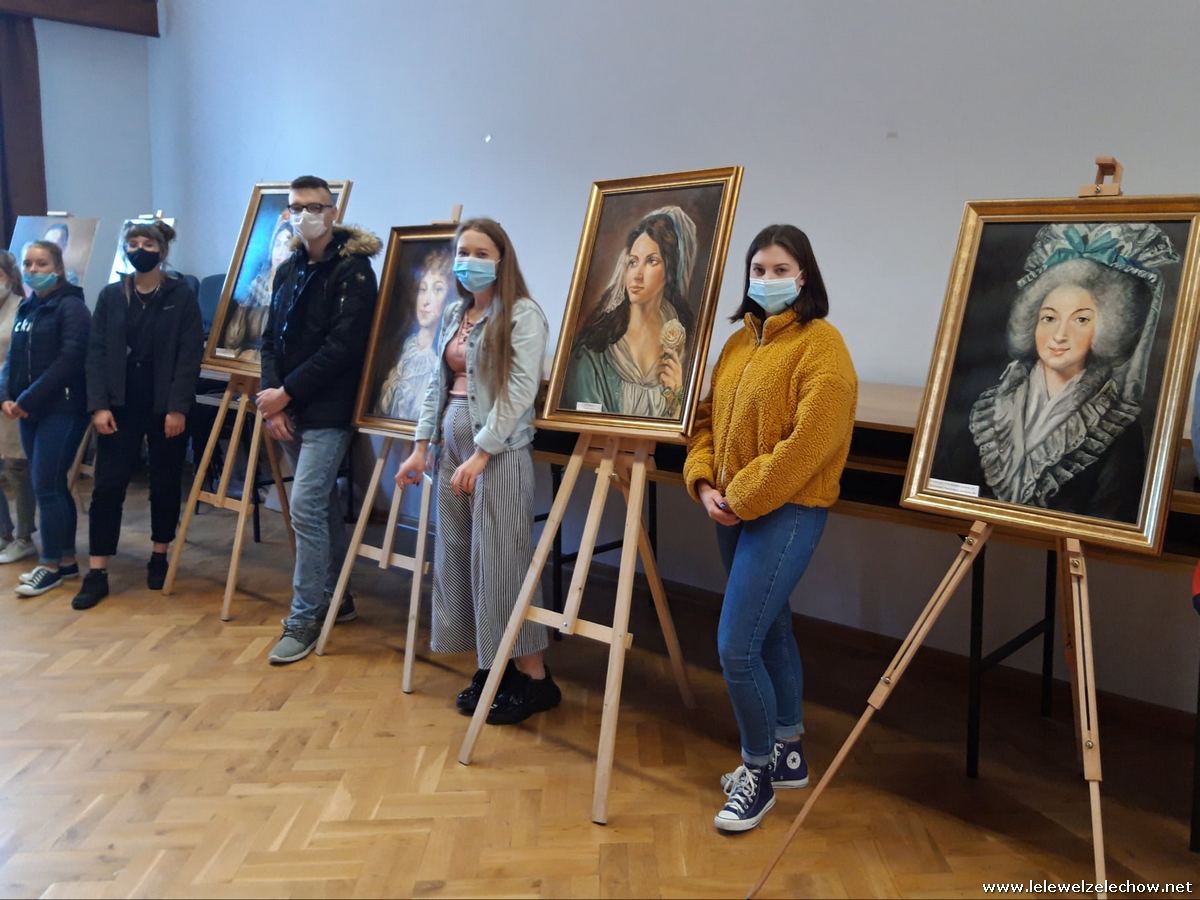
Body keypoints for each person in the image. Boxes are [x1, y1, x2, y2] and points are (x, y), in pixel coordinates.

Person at [684, 224, 857, 832]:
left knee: (736, 646)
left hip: (787, 510)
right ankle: (787, 751)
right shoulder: (737, 344)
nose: (768, 279)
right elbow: (705, 422)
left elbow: (811, 442)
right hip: (730, 507)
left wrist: (742, 494)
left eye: (781, 269)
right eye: (759, 269)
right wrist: (704, 483)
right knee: (771, 627)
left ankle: (756, 774)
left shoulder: (822, 346)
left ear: (803, 275)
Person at [396, 217, 558, 725]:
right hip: (452, 445)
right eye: (463, 251)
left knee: (501, 562)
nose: (469, 261)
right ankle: (492, 667)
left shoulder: (523, 314)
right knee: (459, 555)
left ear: (501, 259)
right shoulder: (455, 314)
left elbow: (519, 390)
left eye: (481, 252)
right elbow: (435, 384)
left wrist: (483, 452)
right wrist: (420, 446)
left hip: (499, 452)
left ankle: (535, 679)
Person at [958, 223, 1179, 522]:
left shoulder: (1115, 426)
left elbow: (1110, 520)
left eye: (1081, 320)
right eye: (1049, 318)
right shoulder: (987, 408)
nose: (1059, 335)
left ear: (1107, 329)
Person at [258, 175, 380, 664]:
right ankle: (337, 596)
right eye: (297, 207)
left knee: (306, 505)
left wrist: (286, 393)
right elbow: (270, 339)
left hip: (329, 409)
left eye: (316, 206)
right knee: (322, 505)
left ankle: (305, 616)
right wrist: (275, 402)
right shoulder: (288, 268)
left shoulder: (354, 271)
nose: (306, 215)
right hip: (288, 409)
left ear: (332, 211)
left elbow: (343, 347)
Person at [71, 221, 203, 610]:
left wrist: (178, 407)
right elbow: (95, 353)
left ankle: (160, 554)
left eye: (147, 243)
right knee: (108, 485)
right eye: (132, 243)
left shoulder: (181, 295)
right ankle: (97, 571)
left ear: (162, 251)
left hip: (164, 403)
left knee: (165, 482)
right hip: (119, 403)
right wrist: (98, 405)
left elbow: (189, 355)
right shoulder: (111, 296)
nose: (139, 249)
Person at [0, 240, 90, 597]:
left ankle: (49, 565)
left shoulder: (72, 307)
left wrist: (26, 398)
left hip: (62, 409)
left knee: (46, 485)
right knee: (52, 486)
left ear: (58, 268)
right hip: (28, 411)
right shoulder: (28, 307)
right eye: (28, 264)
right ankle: (66, 560)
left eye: (42, 264)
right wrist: (5, 396)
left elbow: (69, 361)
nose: (34, 270)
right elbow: (13, 359)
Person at [561, 206, 696, 419]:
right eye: (633, 262)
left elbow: (678, 424)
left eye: (651, 261)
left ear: (670, 269)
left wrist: (676, 396)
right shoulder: (593, 350)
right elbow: (588, 423)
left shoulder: (680, 340)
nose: (637, 275)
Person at [375, 247, 452, 420]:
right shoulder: (406, 347)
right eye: (422, 289)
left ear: (448, 299)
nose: (425, 301)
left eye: (438, 290)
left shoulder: (442, 355)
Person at [0, 251, 36, 566]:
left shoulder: (22, 308)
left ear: (10, 277)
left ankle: (25, 537)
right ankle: (3, 532)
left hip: (11, 399)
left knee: (16, 469)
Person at [224, 216, 294, 359]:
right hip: (244, 356)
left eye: (286, 245)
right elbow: (232, 340)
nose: (280, 252)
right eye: (277, 244)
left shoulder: (295, 287)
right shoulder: (258, 282)